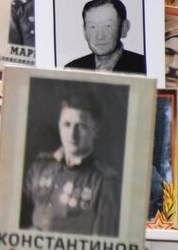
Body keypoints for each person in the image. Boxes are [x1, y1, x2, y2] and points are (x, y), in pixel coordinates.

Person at [23, 90, 120, 236]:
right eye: (67, 124)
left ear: (96, 131)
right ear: (59, 125)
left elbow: (102, 243)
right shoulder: (40, 166)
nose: (72, 134)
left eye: (80, 126)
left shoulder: (105, 181)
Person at [64, 0, 146, 73]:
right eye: (93, 27)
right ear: (84, 31)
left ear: (124, 28)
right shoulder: (72, 69)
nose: (100, 36)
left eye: (108, 26)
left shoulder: (145, 66)